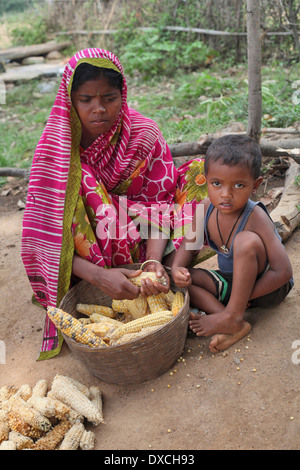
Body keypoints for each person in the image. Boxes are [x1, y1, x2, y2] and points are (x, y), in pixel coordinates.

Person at [21, 48, 208, 359]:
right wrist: (98, 276)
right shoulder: (56, 152)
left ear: (123, 96)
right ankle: (107, 280)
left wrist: (151, 263)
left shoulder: (143, 134)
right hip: (95, 256)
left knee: (202, 176)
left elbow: (158, 205)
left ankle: (173, 272)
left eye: (109, 98)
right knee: (82, 183)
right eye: (86, 100)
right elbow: (43, 239)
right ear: (70, 100)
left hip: (151, 241)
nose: (99, 109)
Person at [171, 134, 294, 353]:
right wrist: (178, 270)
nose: (225, 194)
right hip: (234, 284)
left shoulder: (255, 216)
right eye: (216, 184)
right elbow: (189, 245)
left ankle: (231, 315)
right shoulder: (205, 207)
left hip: (267, 286)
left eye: (238, 185)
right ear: (206, 178)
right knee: (186, 280)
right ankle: (233, 323)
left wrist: (244, 296)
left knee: (245, 241)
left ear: (255, 185)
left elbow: (283, 272)